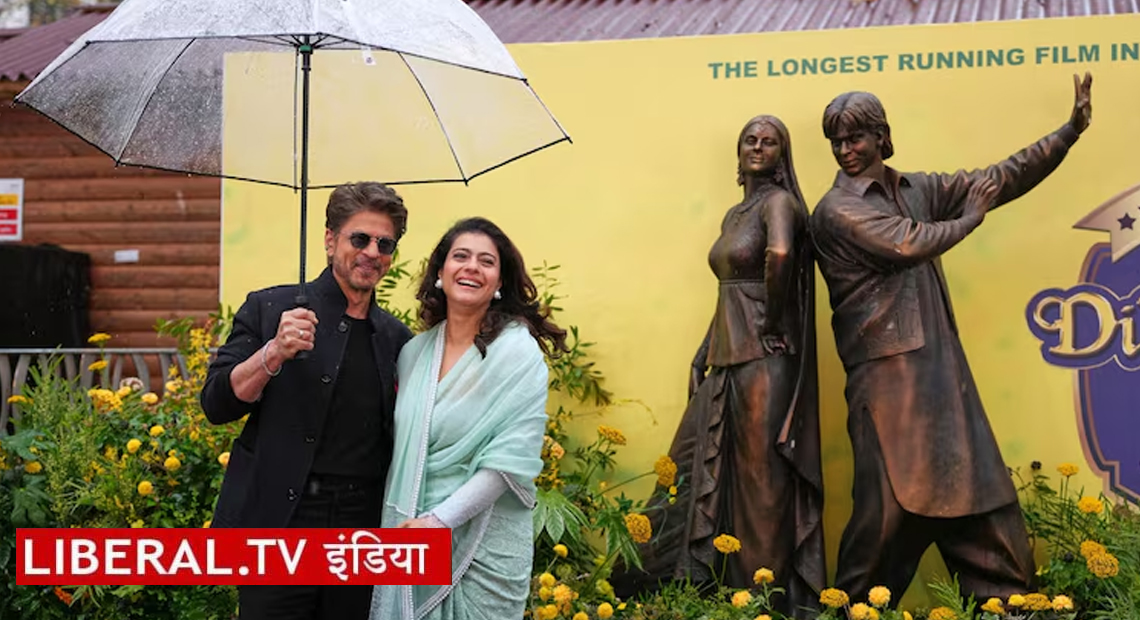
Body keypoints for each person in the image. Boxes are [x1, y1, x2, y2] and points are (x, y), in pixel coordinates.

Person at [809, 73, 1093, 603]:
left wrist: (1067, 133)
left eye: (856, 138)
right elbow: (909, 243)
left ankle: (1009, 602)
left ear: (881, 136)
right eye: (837, 141)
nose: (845, 150)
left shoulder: (916, 190)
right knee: (887, 510)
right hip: (888, 379)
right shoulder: (836, 210)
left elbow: (999, 177)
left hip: (940, 371)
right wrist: (970, 218)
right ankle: (851, 609)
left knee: (979, 492)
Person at [612, 115, 825, 617]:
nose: (758, 147)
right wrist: (705, 349)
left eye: (769, 142)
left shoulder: (779, 203)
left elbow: (780, 255)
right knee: (706, 471)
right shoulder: (736, 213)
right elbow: (731, 290)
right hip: (728, 358)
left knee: (761, 486)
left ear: (782, 155)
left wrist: (770, 323)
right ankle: (699, 592)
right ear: (739, 151)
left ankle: (763, 602)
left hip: (764, 362)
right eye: (750, 140)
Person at [200, 181, 414, 620]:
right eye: (360, 238)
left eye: (384, 244)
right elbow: (217, 405)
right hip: (279, 525)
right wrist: (273, 353)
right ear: (330, 240)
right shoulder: (271, 309)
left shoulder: (397, 339)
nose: (372, 252)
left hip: (360, 532)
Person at [369, 217, 568, 620]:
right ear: (440, 271)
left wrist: (439, 522)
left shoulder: (517, 353)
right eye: (460, 256)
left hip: (484, 545)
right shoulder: (413, 354)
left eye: (486, 261)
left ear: (499, 282)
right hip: (409, 533)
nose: (472, 267)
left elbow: (509, 462)